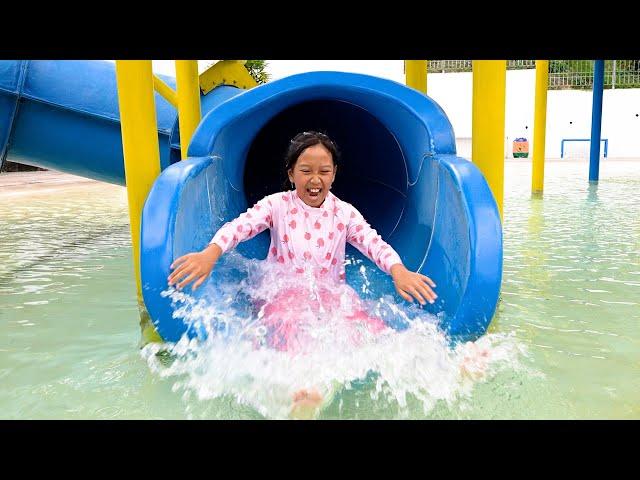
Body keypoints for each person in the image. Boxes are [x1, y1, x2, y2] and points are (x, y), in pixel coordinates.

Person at [168, 131, 437, 417]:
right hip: (282, 293)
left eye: (324, 171)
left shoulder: (344, 213)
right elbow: (240, 226)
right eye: (305, 171)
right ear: (291, 173)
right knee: (292, 329)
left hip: (329, 294)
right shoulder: (277, 205)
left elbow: (373, 243)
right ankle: (305, 394)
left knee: (370, 329)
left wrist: (398, 270)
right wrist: (211, 253)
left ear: (334, 175)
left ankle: (440, 365)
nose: (315, 180)